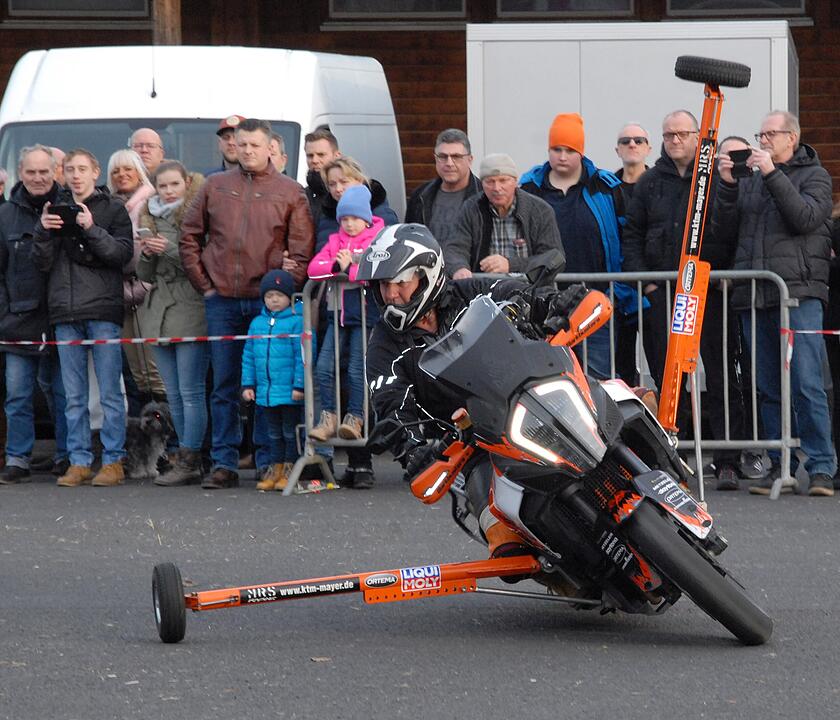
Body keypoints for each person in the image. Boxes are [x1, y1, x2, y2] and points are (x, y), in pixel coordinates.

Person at [357, 224, 584, 557]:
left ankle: (655, 459)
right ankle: (513, 542)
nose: (391, 295)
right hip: (471, 436)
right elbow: (391, 404)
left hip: (526, 396)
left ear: (426, 275)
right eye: (383, 286)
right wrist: (414, 448)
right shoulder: (383, 347)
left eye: (399, 283)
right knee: (482, 488)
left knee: (596, 397)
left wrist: (550, 304)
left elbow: (514, 294)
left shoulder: (470, 293)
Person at [180, 118, 314, 490]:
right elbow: (188, 236)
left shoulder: (290, 192)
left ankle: (269, 461)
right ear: (233, 147)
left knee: (269, 386)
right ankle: (224, 463)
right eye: (242, 145)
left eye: (255, 145)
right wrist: (204, 285)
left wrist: (286, 295)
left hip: (267, 304)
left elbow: (302, 252)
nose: (248, 151)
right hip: (221, 300)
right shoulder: (214, 186)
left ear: (270, 147)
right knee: (224, 385)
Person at [623, 113, 755, 489]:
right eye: (668, 134)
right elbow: (632, 234)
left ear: (698, 136)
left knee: (720, 372)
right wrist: (646, 285)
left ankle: (727, 459)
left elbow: (732, 227)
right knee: (668, 374)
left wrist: (726, 275)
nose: (675, 140)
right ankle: (670, 454)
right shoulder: (649, 183)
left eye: (682, 133)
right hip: (664, 292)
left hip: (710, 292)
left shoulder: (715, 178)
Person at [715, 110, 837, 497]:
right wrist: (729, 187)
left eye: (771, 134)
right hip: (756, 293)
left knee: (807, 383)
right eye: (760, 133)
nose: (763, 140)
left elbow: (805, 218)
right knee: (768, 386)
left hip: (798, 294)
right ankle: (779, 463)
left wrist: (771, 173)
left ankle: (822, 467)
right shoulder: (751, 181)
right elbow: (727, 233)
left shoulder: (815, 176)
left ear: (793, 137)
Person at [32, 148, 133, 487]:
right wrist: (44, 231)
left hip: (103, 309)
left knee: (109, 393)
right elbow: (41, 263)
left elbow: (120, 254)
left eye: (82, 169)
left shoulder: (113, 209)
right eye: (70, 169)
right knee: (73, 395)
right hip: (64, 310)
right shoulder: (53, 210)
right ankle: (78, 460)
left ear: (95, 172)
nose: (75, 175)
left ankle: (114, 460)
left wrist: (91, 228)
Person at [520, 113, 638, 381]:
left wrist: (616, 293)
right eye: (556, 149)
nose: (562, 156)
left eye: (570, 150)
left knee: (597, 379)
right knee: (547, 379)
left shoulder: (606, 187)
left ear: (581, 153)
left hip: (594, 302)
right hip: (544, 306)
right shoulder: (528, 189)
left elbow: (627, 240)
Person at [137, 160, 208, 486]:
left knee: (192, 391)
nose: (167, 191)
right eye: (162, 186)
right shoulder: (147, 216)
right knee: (174, 395)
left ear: (186, 184)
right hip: (158, 313)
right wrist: (149, 253)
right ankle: (183, 454)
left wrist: (168, 250)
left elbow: (201, 263)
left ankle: (192, 457)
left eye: (173, 185)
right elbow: (144, 276)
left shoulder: (197, 213)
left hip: (190, 307)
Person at [0, 145, 67, 484]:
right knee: (17, 395)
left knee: (65, 394)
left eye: (44, 171)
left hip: (61, 317)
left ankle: (67, 456)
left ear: (56, 171)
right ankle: (17, 458)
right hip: (18, 321)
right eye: (31, 172)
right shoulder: (5, 215)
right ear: (20, 173)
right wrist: (4, 313)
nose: (38, 178)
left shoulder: (70, 207)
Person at [307, 186, 384, 465]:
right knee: (323, 368)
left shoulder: (377, 239)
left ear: (366, 218)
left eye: (354, 218)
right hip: (336, 314)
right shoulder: (333, 239)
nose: (349, 224)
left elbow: (373, 273)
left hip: (363, 316)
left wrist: (350, 266)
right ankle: (328, 417)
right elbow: (315, 269)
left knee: (356, 370)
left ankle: (356, 418)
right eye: (344, 219)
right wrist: (340, 268)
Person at [106, 148, 166, 410]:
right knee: (135, 367)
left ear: (139, 172)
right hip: (120, 290)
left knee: (155, 365)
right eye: (116, 170)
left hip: (150, 288)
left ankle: (170, 435)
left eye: (128, 169)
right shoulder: (107, 205)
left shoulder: (153, 202)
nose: (122, 175)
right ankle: (147, 433)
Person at [445, 153, 563, 283]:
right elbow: (455, 248)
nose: (497, 188)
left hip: (531, 294)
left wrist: (510, 265)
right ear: (482, 184)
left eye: (503, 180)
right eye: (490, 181)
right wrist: (459, 268)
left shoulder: (539, 210)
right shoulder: (471, 208)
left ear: (516, 181)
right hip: (485, 293)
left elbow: (554, 257)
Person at [241, 269, 305, 492]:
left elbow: (303, 355)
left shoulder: (298, 322)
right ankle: (275, 468)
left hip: (289, 392)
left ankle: (290, 468)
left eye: (279, 295)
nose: (274, 300)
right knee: (273, 433)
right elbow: (248, 355)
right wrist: (248, 384)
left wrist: (300, 384)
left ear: (290, 296)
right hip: (266, 392)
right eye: (269, 296)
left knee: (290, 432)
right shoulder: (257, 324)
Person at [404, 128, 481, 247]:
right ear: (435, 159)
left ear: (470, 160)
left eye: (456, 156)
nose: (449, 163)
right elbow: (408, 240)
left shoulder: (484, 196)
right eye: (443, 156)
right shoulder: (420, 196)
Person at [304, 127, 341, 227]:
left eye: (321, 155)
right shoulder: (301, 196)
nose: (315, 160)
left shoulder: (353, 191)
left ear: (337, 156)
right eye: (310, 155)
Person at [614, 122, 651, 203]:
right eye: (625, 141)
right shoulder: (606, 189)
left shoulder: (660, 187)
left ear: (648, 150)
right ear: (617, 151)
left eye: (639, 141)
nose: (632, 145)